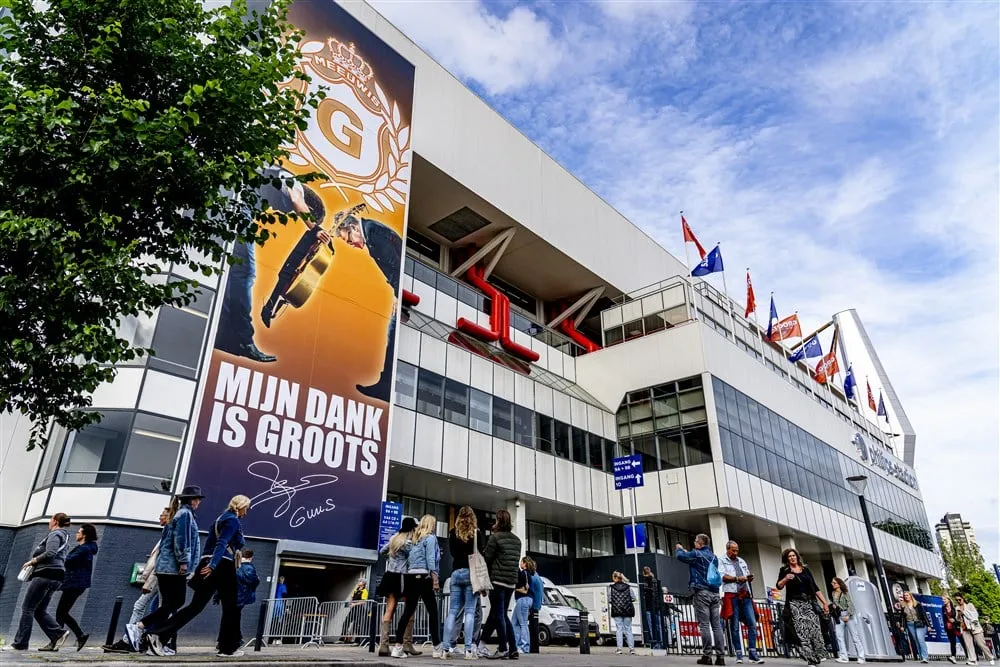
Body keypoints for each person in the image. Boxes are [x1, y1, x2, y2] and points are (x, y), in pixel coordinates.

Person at [218, 167, 328, 363]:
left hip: (227, 203)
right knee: (244, 272)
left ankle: (226, 331)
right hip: (235, 207)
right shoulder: (294, 185)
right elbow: (296, 200)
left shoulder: (268, 183)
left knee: (233, 271)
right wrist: (316, 229)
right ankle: (241, 340)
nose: (292, 213)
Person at [145, 494, 250, 658]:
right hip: (222, 565)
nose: (247, 512)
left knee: (196, 606)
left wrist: (208, 564)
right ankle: (228, 648)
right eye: (247, 508)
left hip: (208, 563)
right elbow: (222, 543)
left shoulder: (219, 519)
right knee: (232, 607)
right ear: (241, 506)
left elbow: (211, 543)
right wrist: (213, 565)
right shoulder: (232, 520)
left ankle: (159, 633)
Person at [333, 209, 403, 400]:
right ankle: (385, 385)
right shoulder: (372, 233)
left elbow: (397, 266)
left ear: (353, 227)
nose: (352, 245)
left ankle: (386, 386)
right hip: (402, 291)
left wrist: (398, 295)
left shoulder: (375, 235)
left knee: (393, 331)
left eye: (348, 240)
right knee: (393, 332)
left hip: (405, 293)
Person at [127, 486, 203, 653]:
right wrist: (184, 563)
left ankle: (152, 636)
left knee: (169, 604)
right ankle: (142, 628)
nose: (199, 502)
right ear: (191, 500)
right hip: (173, 568)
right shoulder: (185, 515)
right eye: (197, 499)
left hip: (167, 568)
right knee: (177, 602)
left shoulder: (181, 514)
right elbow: (181, 540)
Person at [4, 513, 73, 652]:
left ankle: (20, 644)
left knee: (27, 608)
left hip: (45, 575)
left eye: (50, 519)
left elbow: (51, 553)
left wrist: (32, 561)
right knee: (39, 610)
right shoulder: (65, 536)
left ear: (55, 521)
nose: (49, 522)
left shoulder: (55, 534)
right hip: (56, 577)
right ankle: (57, 634)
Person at [391, 514, 443, 659]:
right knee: (433, 612)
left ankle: (397, 647)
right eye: (434, 523)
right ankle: (437, 646)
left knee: (408, 611)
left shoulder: (414, 539)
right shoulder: (431, 538)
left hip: (410, 577)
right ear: (431, 524)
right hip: (424, 577)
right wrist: (435, 579)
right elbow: (430, 559)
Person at [442, 506, 486, 659]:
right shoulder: (476, 533)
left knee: (452, 612)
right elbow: (480, 553)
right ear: (472, 517)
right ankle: (468, 650)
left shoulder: (453, 533)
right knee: (469, 612)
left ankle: (445, 648)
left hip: (455, 573)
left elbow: (453, 553)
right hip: (470, 574)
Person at [676, 534, 725, 665]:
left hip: (702, 592)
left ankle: (707, 656)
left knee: (704, 625)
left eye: (695, 542)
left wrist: (679, 549)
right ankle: (720, 657)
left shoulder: (696, 554)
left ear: (700, 543)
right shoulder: (714, 556)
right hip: (715, 593)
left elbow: (680, 557)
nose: (694, 544)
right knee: (716, 626)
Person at [775, 548, 829, 667]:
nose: (792, 558)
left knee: (815, 630)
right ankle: (810, 659)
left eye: (794, 555)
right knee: (802, 632)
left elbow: (815, 587)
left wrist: (824, 602)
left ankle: (817, 655)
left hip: (809, 603)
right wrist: (785, 579)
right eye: (789, 556)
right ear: (786, 559)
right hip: (795, 604)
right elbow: (778, 586)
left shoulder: (805, 570)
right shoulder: (784, 570)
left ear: (797, 557)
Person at [481, 509, 521, 661]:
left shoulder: (495, 538)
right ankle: (514, 649)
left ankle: (503, 648)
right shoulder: (517, 540)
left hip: (497, 580)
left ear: (498, 521)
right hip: (511, 582)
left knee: (499, 615)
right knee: (503, 614)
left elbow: (488, 558)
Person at [376, 517, 418, 657]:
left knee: (389, 609)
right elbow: (413, 559)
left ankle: (383, 645)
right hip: (404, 577)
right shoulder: (409, 542)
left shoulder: (394, 538)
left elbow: (382, 551)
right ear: (412, 528)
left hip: (390, 576)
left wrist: (391, 558)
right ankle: (406, 644)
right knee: (409, 610)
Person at [54, 523, 99, 651]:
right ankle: (80, 636)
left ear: (84, 535)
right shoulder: (85, 548)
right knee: (63, 613)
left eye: (79, 532)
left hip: (75, 584)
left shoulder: (84, 549)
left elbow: (68, 560)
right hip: (75, 584)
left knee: (60, 613)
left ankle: (56, 640)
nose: (76, 534)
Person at [720, 540, 762, 664]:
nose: (736, 552)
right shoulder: (722, 560)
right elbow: (723, 576)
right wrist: (738, 579)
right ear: (727, 549)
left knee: (752, 623)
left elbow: (746, 573)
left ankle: (753, 653)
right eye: (733, 550)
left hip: (745, 595)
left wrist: (749, 578)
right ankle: (739, 654)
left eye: (737, 550)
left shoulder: (741, 561)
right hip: (732, 596)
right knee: (734, 626)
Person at [830, 577, 865, 664]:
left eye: (834, 583)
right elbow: (835, 604)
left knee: (855, 637)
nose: (832, 584)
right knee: (839, 636)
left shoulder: (845, 593)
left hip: (848, 615)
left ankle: (861, 657)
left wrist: (848, 616)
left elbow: (850, 605)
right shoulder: (833, 593)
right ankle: (844, 657)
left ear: (838, 584)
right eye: (832, 582)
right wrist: (834, 606)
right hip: (839, 616)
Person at [955, 594, 996, 666]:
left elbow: (974, 616)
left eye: (959, 599)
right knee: (969, 645)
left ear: (963, 598)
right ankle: (973, 660)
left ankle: (990, 658)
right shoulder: (957, 608)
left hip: (975, 627)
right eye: (957, 600)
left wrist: (963, 611)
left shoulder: (970, 605)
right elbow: (958, 619)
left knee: (981, 643)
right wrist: (958, 614)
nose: (958, 601)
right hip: (964, 628)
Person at [511, 558, 536, 656]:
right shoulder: (528, 574)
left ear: (524, 564)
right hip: (526, 600)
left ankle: (524, 647)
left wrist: (515, 589)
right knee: (514, 623)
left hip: (523, 599)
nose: (520, 563)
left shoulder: (524, 573)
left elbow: (525, 590)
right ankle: (516, 645)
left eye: (521, 562)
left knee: (522, 624)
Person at [609, 571, 637, 655]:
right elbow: (634, 598)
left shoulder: (611, 588)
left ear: (614, 578)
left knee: (619, 629)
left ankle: (619, 649)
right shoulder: (629, 587)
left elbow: (610, 600)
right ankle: (632, 649)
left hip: (617, 611)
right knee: (628, 629)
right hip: (628, 611)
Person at [899, 591, 929, 663]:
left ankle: (925, 657)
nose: (906, 596)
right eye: (905, 595)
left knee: (920, 639)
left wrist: (928, 625)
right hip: (910, 624)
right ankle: (921, 657)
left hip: (920, 624)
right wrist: (902, 626)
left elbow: (923, 614)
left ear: (910, 596)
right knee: (916, 641)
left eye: (907, 595)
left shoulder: (917, 604)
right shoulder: (903, 606)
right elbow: (903, 617)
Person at [642, 566, 663, 651]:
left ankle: (654, 644)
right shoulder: (656, 581)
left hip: (649, 607)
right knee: (658, 626)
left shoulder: (645, 583)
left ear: (644, 573)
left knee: (651, 627)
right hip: (657, 606)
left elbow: (645, 595)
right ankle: (661, 643)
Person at [344, 578, 369, 645]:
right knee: (346, 622)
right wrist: (350, 602)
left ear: (363, 583)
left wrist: (354, 604)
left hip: (360, 609)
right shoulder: (355, 590)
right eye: (358, 581)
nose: (358, 582)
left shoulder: (365, 591)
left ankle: (357, 641)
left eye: (360, 581)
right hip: (353, 609)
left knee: (357, 625)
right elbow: (352, 598)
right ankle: (342, 638)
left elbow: (363, 601)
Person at [944, 596, 962, 664]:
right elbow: (944, 618)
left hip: (956, 627)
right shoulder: (943, 608)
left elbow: (959, 617)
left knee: (962, 641)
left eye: (945, 599)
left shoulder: (954, 607)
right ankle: (953, 657)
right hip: (949, 627)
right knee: (952, 642)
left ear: (948, 599)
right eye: (943, 599)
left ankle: (970, 657)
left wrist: (955, 621)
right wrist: (945, 627)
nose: (943, 600)